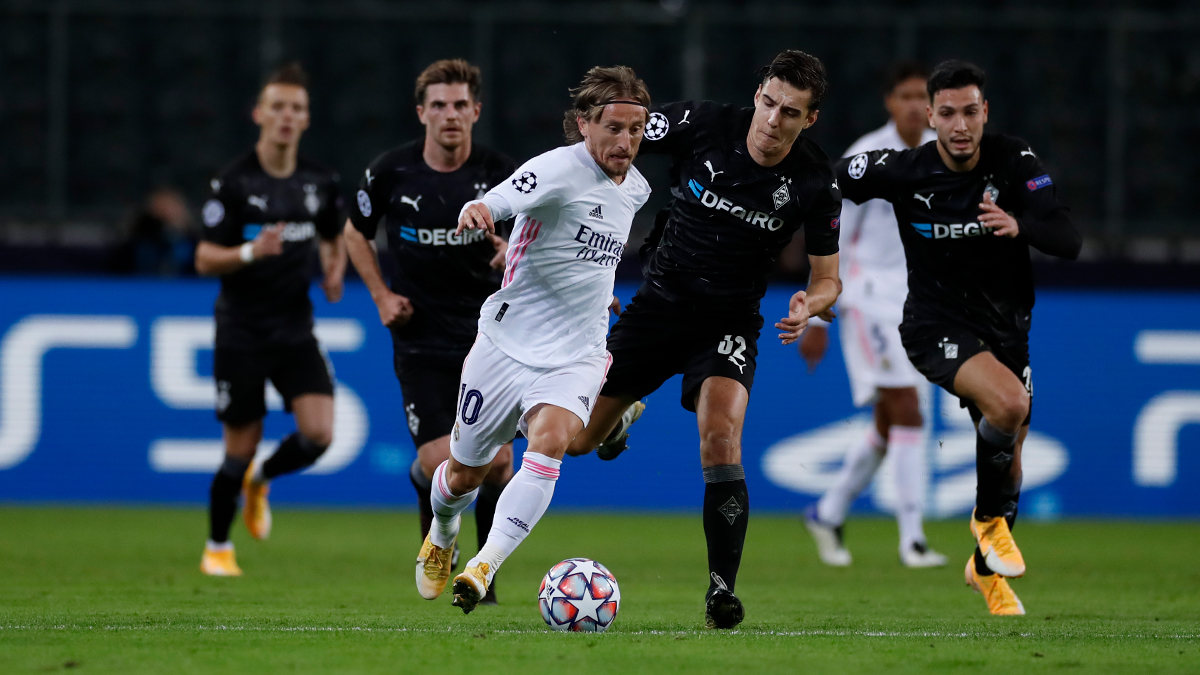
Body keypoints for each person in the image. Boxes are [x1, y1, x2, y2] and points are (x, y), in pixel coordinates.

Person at [565, 50, 843, 629]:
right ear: (757, 94)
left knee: (721, 436)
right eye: (768, 103)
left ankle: (722, 591)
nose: (772, 121)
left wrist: (810, 306)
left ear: (809, 119)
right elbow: (620, 135)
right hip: (657, 309)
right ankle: (617, 419)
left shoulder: (816, 181)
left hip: (729, 322)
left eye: (789, 112)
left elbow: (828, 279)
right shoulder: (702, 124)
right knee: (575, 442)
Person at [833, 60, 1081, 615]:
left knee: (1010, 461)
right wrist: (822, 278)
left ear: (985, 112)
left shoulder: (1014, 161)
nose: (960, 125)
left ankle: (984, 570)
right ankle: (987, 522)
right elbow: (823, 184)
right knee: (1011, 403)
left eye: (971, 112)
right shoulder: (903, 169)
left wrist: (1022, 224)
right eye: (947, 113)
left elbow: (1068, 237)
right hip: (934, 327)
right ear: (930, 116)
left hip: (1007, 332)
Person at [415, 66, 651, 616]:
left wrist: (601, 290)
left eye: (636, 130)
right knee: (462, 475)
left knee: (550, 444)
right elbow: (500, 199)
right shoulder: (556, 169)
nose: (626, 142)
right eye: (614, 128)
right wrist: (478, 211)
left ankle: (484, 564)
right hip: (505, 345)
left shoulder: (635, 188)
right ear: (583, 125)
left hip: (578, 350)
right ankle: (444, 532)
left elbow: (594, 250)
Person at [344, 59, 517, 604]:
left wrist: (513, 253)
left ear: (476, 111)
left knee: (499, 463)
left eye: (460, 105)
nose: (450, 115)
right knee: (438, 464)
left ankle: (482, 576)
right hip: (419, 338)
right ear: (421, 112)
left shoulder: (503, 176)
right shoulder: (391, 173)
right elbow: (354, 233)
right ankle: (435, 525)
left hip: (488, 337)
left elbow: (541, 242)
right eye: (438, 105)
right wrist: (380, 294)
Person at [194, 62, 346, 576]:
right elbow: (203, 258)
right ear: (259, 113)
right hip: (241, 330)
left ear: (306, 119)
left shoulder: (320, 181)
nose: (286, 116)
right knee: (239, 445)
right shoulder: (234, 182)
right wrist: (249, 252)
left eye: (296, 108)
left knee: (320, 433)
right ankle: (217, 547)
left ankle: (263, 481)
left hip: (294, 328)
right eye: (277, 106)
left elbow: (333, 232)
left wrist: (333, 270)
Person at [800, 61, 947, 569]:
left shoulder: (943, 154)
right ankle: (913, 539)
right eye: (903, 95)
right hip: (866, 299)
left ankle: (828, 510)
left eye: (918, 97)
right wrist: (819, 315)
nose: (912, 105)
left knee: (890, 424)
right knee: (910, 411)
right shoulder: (867, 157)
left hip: (917, 306)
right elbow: (828, 229)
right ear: (890, 102)